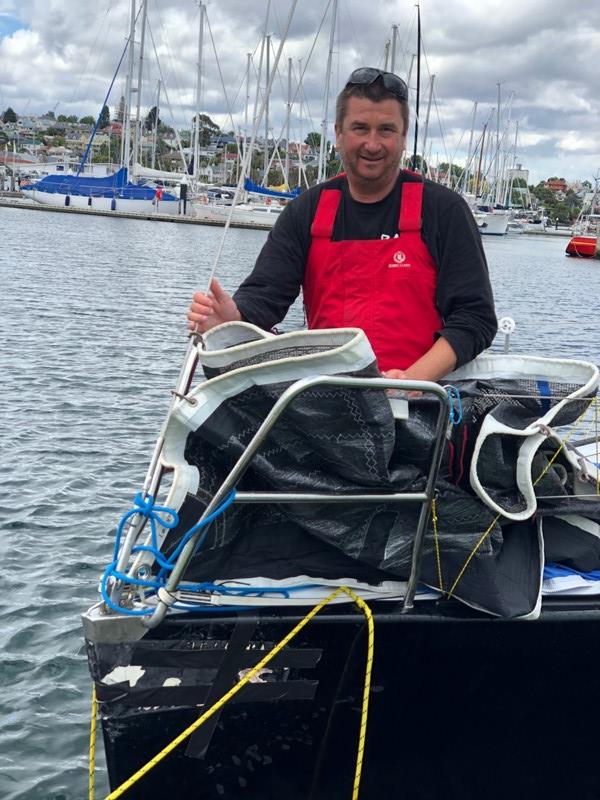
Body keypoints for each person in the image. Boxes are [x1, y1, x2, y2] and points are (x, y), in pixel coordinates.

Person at [188, 67, 497, 382]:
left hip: (423, 400)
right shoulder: (305, 212)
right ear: (338, 133)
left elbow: (475, 319)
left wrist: (413, 381)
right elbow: (265, 297)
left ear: (404, 137)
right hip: (326, 401)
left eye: (386, 130)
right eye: (360, 128)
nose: (372, 144)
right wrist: (232, 319)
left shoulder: (444, 210)